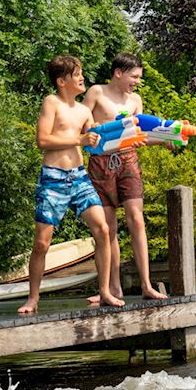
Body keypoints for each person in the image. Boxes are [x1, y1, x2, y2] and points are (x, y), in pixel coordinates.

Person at [19, 55, 121, 314]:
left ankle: (105, 292)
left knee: (103, 229)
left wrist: (125, 136)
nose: (82, 78)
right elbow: (42, 140)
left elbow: (94, 140)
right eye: (77, 74)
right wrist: (80, 139)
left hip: (79, 177)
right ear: (62, 81)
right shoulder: (51, 103)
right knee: (42, 243)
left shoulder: (84, 111)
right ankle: (33, 298)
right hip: (53, 178)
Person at [83, 52, 167, 304]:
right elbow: (81, 126)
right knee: (108, 228)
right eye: (134, 76)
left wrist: (166, 139)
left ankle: (147, 285)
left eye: (139, 77)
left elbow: (140, 137)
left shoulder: (135, 100)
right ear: (118, 73)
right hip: (101, 163)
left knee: (137, 220)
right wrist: (96, 130)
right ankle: (113, 288)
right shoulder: (96, 92)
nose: (137, 81)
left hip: (128, 161)